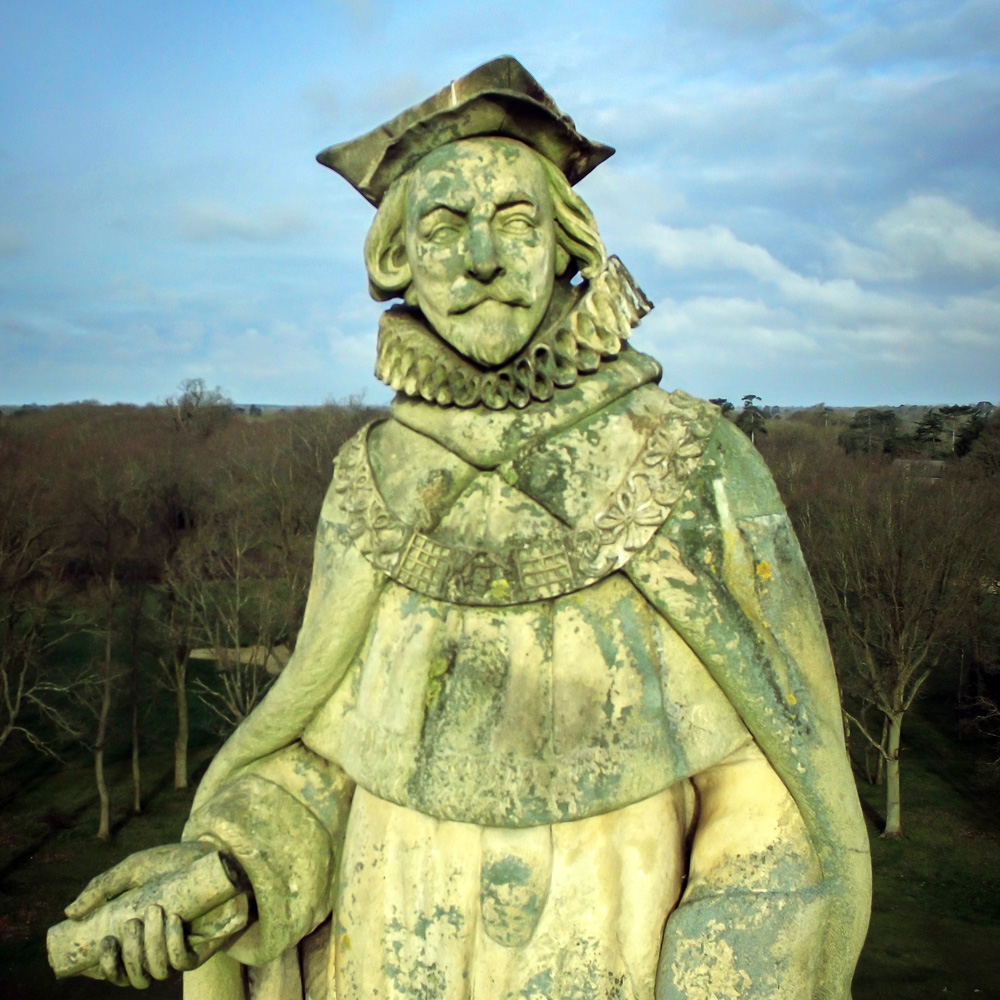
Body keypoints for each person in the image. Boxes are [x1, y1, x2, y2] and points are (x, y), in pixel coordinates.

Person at [53, 56, 871, 1000]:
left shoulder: (692, 462)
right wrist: (230, 872)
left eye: (515, 220)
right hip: (384, 951)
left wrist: (733, 961)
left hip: (612, 947)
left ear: (565, 245)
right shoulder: (370, 481)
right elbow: (326, 763)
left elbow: (777, 793)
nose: (482, 257)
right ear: (397, 258)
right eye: (445, 226)